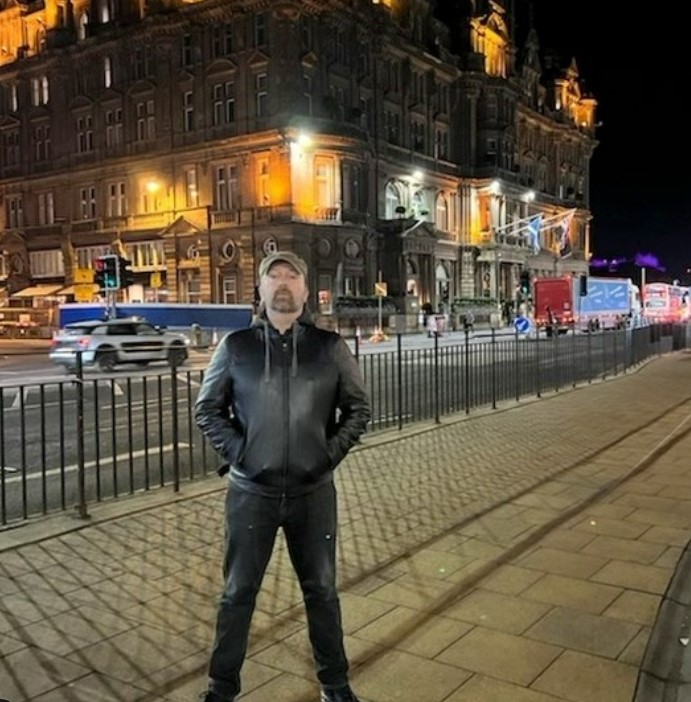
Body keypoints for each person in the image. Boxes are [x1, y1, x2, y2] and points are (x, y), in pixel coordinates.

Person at [194, 251, 371, 702]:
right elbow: (207, 408)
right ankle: (221, 688)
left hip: (313, 493)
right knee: (237, 595)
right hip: (251, 493)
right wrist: (242, 454)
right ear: (261, 289)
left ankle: (335, 684)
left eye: (292, 275)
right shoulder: (236, 347)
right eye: (274, 275)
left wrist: (326, 456)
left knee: (323, 594)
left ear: (306, 291)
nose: (283, 282)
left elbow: (358, 408)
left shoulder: (329, 347)